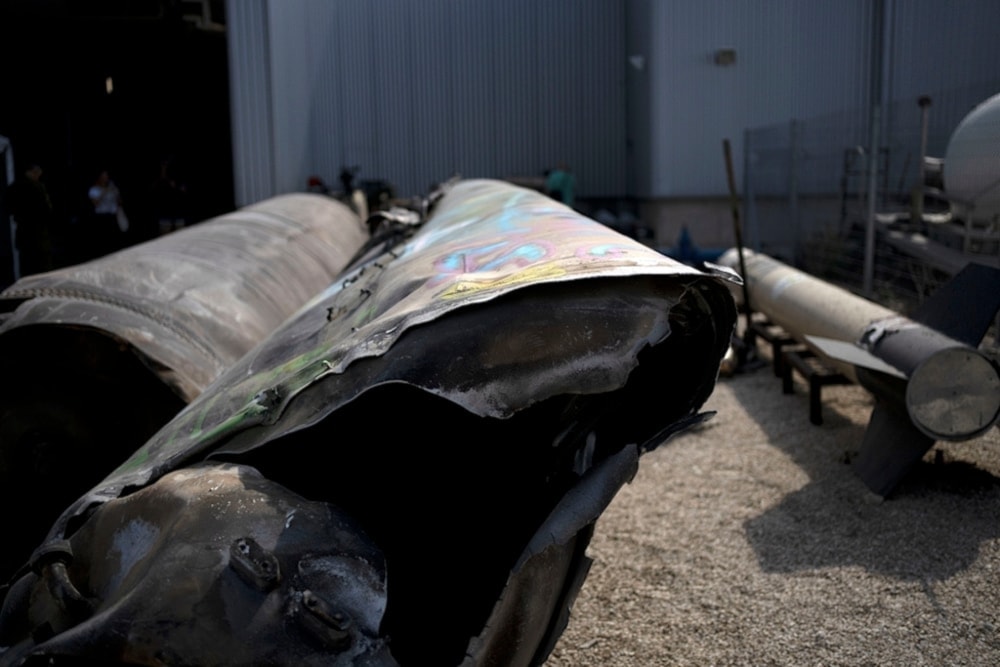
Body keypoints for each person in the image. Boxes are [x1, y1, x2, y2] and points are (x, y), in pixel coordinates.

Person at [6, 162, 54, 276]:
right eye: (36, 172)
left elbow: (8, 208)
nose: (38, 174)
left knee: (27, 266)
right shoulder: (37, 187)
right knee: (41, 266)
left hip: (23, 232)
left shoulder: (13, 187)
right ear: (29, 172)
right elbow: (47, 210)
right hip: (38, 234)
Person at [88, 169, 128, 256]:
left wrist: (116, 193)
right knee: (104, 240)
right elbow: (96, 203)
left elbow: (120, 202)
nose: (105, 178)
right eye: (103, 176)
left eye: (106, 176)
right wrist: (104, 191)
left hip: (113, 216)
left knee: (115, 240)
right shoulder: (93, 190)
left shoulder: (112, 188)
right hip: (102, 217)